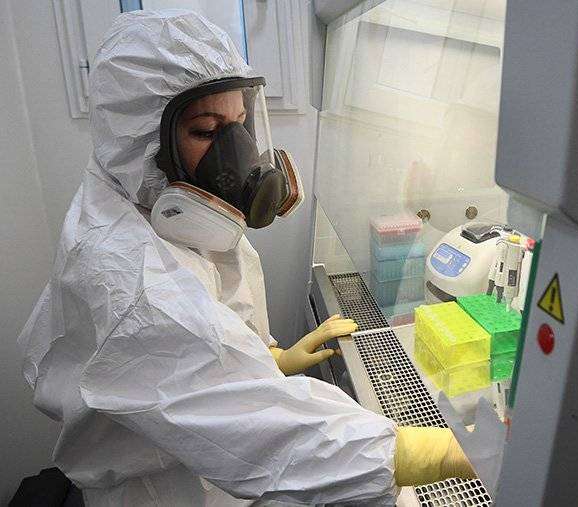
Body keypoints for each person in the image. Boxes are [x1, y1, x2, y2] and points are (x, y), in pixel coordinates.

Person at [18, 10, 473, 506]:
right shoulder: (130, 279)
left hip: (200, 463)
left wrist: (268, 360)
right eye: (206, 132)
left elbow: (202, 338)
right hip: (167, 492)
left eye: (239, 125)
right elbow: (278, 439)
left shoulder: (144, 201)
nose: (237, 154)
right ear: (140, 142)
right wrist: (451, 451)